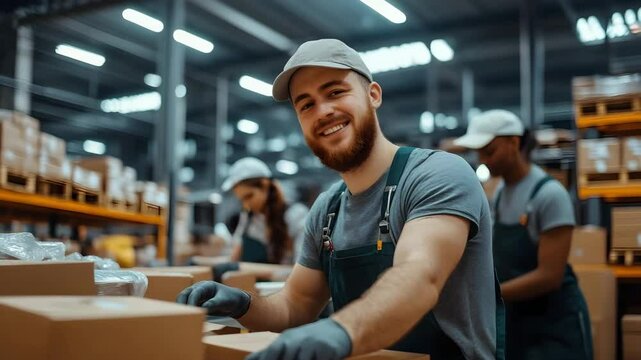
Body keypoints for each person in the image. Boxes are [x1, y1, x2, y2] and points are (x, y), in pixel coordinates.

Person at [178, 39, 503, 360]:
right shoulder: (327, 210)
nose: (323, 112)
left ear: (373, 94)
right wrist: (243, 305)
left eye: (335, 92)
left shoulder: (436, 173)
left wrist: (339, 331)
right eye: (306, 104)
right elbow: (295, 306)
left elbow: (420, 275)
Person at [454, 110, 592, 360]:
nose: (483, 160)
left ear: (514, 143)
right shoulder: (501, 193)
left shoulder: (549, 195)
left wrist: (489, 295)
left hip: (555, 325)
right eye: (479, 154)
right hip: (519, 320)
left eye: (489, 151)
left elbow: (550, 276)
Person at [221, 157, 308, 265]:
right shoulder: (248, 217)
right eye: (242, 200)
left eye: (249, 196)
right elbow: (233, 258)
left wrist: (244, 269)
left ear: (264, 184)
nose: (246, 205)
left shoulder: (295, 215)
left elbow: (301, 270)